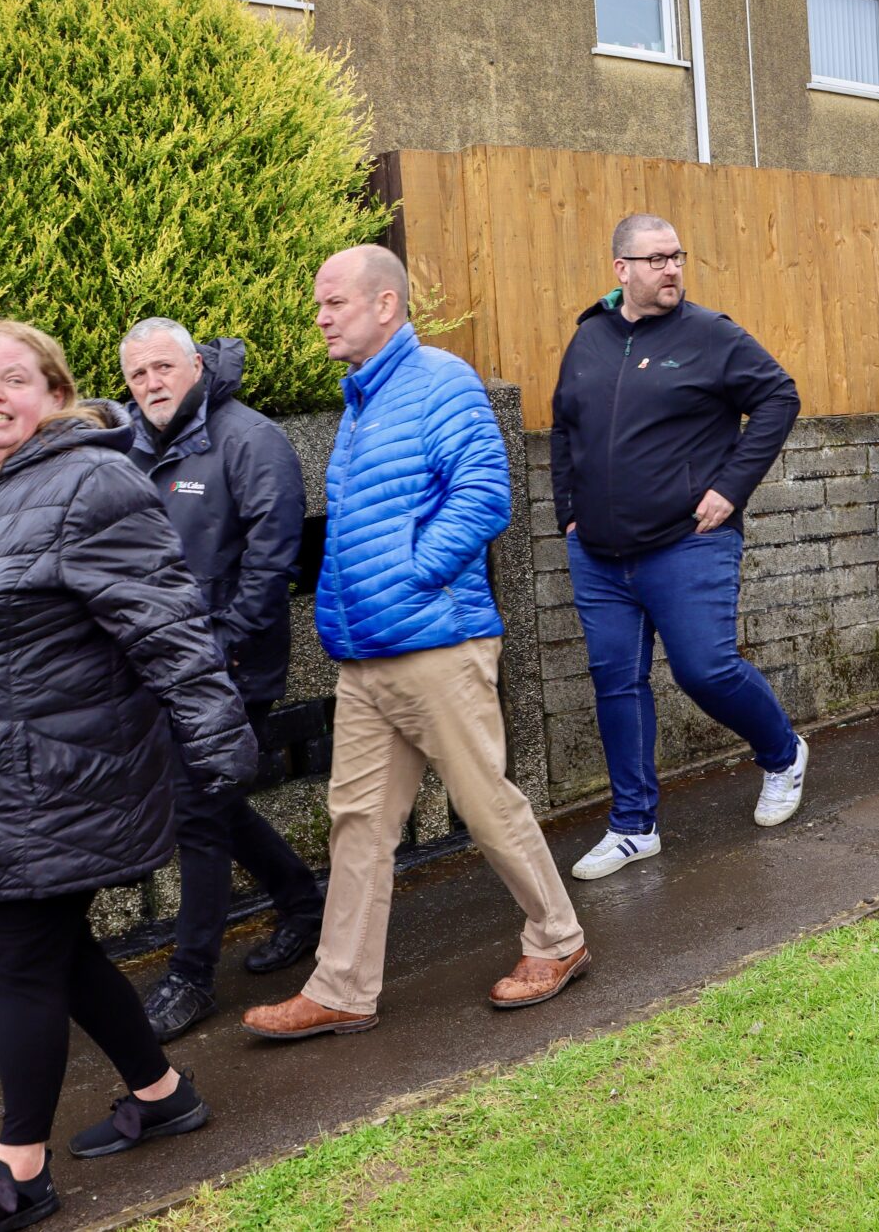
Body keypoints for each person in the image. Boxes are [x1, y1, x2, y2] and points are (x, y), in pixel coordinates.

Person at [0, 320, 257, 1232]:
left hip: (61, 774)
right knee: (61, 954)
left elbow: (166, 620)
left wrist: (218, 738)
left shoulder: (91, 481)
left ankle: (18, 1171)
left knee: (25, 960)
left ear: (57, 394)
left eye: (14, 380)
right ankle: (163, 1092)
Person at [242, 246, 589, 1042]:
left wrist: (415, 574)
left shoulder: (441, 380)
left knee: (483, 801)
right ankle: (342, 987)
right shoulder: (362, 402)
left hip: (436, 640)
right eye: (321, 304)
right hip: (365, 656)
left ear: (386, 305)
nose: (321, 317)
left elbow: (484, 496)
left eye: (335, 302)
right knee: (357, 819)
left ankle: (558, 939)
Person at [550, 214, 809, 881]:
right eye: (656, 259)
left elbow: (779, 396)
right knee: (616, 682)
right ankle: (633, 826)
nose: (672, 269)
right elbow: (564, 426)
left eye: (678, 257)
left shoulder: (710, 335)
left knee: (705, 669)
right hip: (599, 553)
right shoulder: (588, 338)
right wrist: (568, 513)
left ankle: (783, 754)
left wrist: (731, 487)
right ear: (621, 269)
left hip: (687, 542)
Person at [118, 318, 321, 1041]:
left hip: (232, 665)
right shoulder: (134, 444)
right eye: (138, 374)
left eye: (163, 367)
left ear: (196, 363)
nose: (151, 383)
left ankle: (192, 975)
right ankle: (303, 901)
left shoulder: (248, 437)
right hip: (161, 665)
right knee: (213, 805)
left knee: (200, 811)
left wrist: (221, 652)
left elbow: (272, 560)